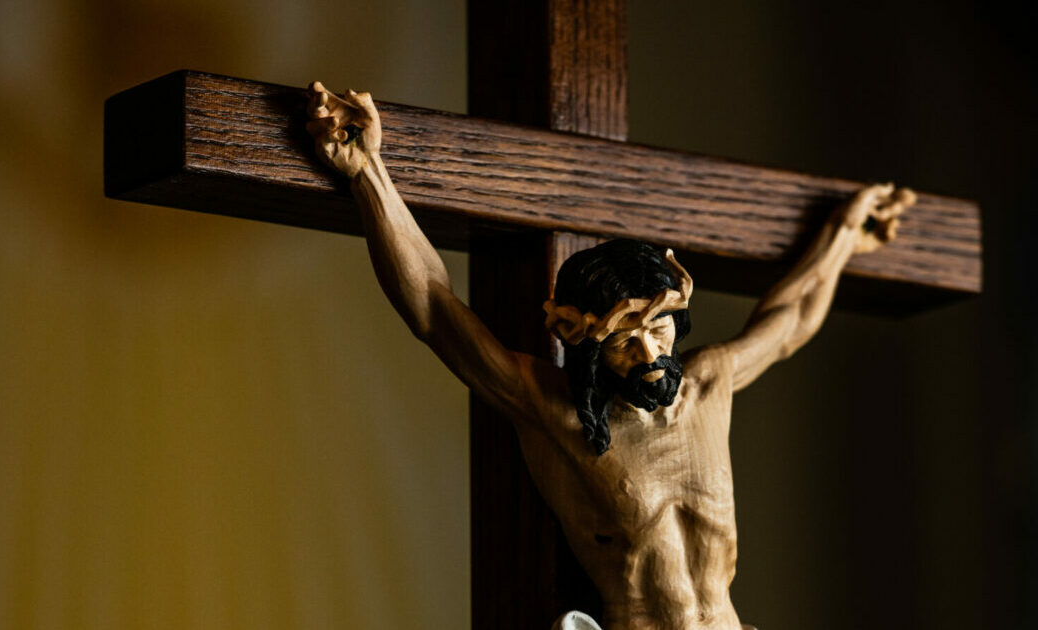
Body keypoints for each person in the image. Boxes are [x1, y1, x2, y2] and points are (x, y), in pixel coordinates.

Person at [305, 81, 914, 630]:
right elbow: (435, 311)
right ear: (583, 338)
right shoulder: (551, 408)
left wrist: (842, 235)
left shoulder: (708, 384)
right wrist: (368, 173)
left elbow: (788, 321)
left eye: (660, 329)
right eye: (625, 340)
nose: (651, 351)